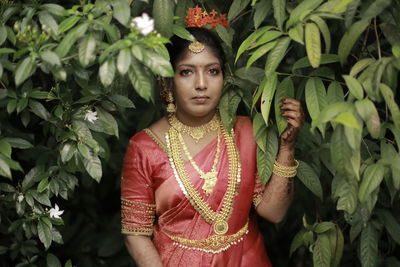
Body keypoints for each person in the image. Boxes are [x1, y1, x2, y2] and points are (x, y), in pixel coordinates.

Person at [120, 26, 304, 266]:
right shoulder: (144, 146)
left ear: (223, 78)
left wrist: (287, 147)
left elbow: (274, 211)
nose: (201, 84)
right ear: (168, 81)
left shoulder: (246, 131)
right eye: (187, 72)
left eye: (212, 71)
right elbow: (136, 234)